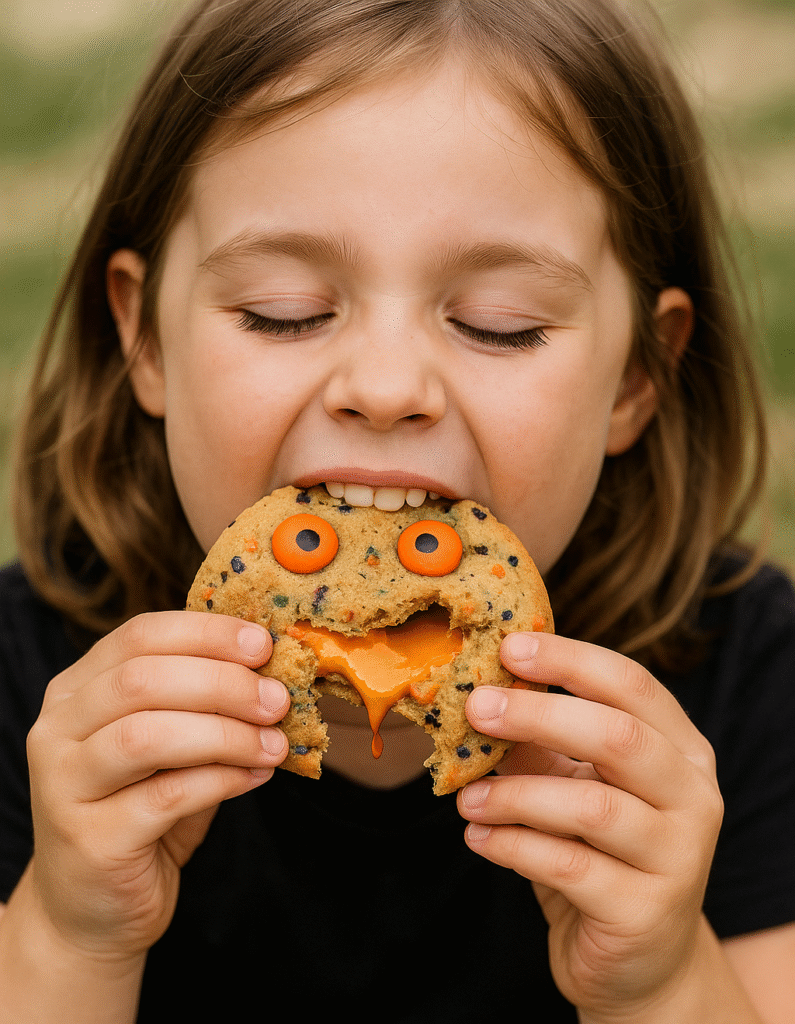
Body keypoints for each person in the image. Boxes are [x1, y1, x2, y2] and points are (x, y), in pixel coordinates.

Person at [0, 0, 793, 1019]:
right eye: (283, 311)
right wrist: (68, 934)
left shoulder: (748, 690)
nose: (383, 384)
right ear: (145, 337)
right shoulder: (39, 698)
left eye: (497, 325)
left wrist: (666, 978)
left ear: (637, 375)